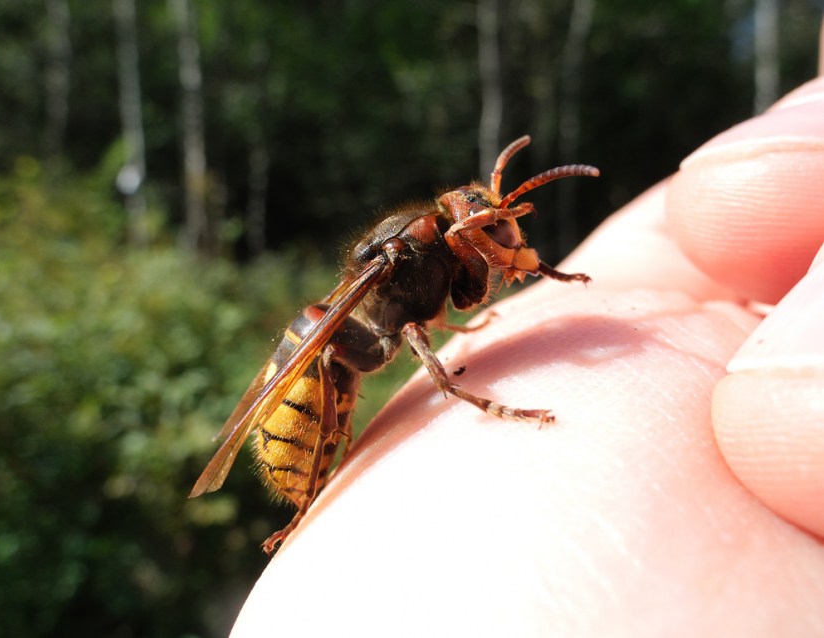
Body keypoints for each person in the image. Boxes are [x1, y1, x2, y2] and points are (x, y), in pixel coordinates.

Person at [231, 73, 824, 636]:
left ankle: (304, 505)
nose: (500, 236)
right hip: (315, 368)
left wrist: (543, 278)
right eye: (489, 225)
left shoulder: (436, 252)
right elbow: (412, 327)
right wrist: (479, 398)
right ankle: (307, 501)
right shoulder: (404, 265)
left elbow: (452, 292)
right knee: (333, 361)